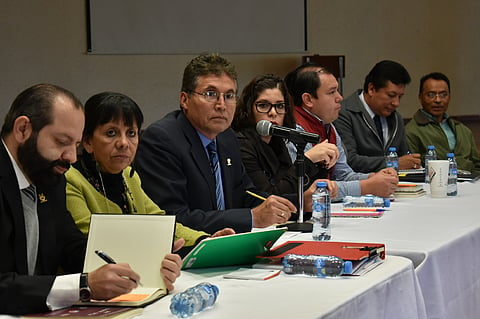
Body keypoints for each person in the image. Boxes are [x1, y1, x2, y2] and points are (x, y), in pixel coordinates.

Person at [0, 84, 179, 315]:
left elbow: (70, 245)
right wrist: (82, 286)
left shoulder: (49, 177)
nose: (72, 158)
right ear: (23, 129)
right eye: (62, 142)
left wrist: (147, 263)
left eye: (75, 145)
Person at [135, 53, 297, 234]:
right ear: (184, 100)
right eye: (210, 94)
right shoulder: (161, 140)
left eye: (229, 96)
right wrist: (252, 217)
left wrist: (295, 203)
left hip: (227, 242)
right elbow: (173, 218)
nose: (221, 105)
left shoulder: (226, 137)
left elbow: (246, 194)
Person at [65, 92, 234, 257]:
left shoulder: (129, 177)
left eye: (131, 133)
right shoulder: (71, 180)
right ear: (87, 142)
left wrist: (204, 240)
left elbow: (159, 222)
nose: (124, 143)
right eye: (111, 133)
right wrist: (157, 246)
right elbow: (92, 241)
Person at [285, 63, 399, 199]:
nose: (340, 98)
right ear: (308, 99)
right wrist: (366, 186)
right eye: (332, 92)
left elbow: (343, 175)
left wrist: (373, 177)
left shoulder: (328, 126)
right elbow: (308, 190)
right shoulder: (294, 131)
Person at [232, 73, 339, 198]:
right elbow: (268, 197)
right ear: (248, 109)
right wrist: (307, 161)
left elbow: (291, 188)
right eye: (263, 105)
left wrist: (320, 168)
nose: (273, 113)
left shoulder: (278, 141)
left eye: (280, 106)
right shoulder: (241, 144)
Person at [334, 60, 421, 173]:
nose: (396, 103)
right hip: (360, 186)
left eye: (400, 97)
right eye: (391, 95)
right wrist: (393, 163)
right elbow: (349, 160)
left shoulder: (396, 118)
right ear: (371, 89)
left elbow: (404, 156)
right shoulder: (344, 113)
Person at [405, 72, 480, 174]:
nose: (438, 100)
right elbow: (412, 169)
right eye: (431, 95)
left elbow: (477, 165)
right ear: (420, 97)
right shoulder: (411, 131)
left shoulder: (462, 129)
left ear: (449, 97)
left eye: (443, 95)